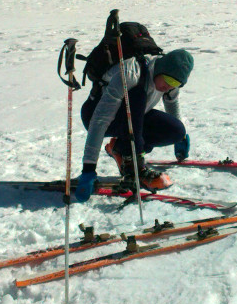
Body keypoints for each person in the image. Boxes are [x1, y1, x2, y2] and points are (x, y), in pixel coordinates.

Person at [74, 49, 194, 202]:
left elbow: (171, 102)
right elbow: (99, 120)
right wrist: (89, 169)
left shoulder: (171, 78)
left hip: (134, 117)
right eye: (169, 81)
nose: (170, 87)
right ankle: (135, 165)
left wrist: (181, 139)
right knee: (137, 95)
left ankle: (121, 149)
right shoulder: (131, 74)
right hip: (95, 115)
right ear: (161, 69)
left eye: (176, 84)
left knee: (176, 130)